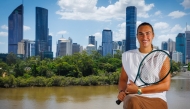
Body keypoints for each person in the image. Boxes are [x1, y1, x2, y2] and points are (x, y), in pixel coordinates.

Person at [117, 22, 170, 109]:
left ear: (153, 35)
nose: (144, 37)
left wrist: (139, 90)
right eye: (141, 34)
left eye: (147, 33)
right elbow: (123, 80)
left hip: (156, 98)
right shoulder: (127, 55)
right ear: (137, 36)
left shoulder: (162, 56)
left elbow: (165, 85)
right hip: (133, 98)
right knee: (133, 100)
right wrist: (122, 91)